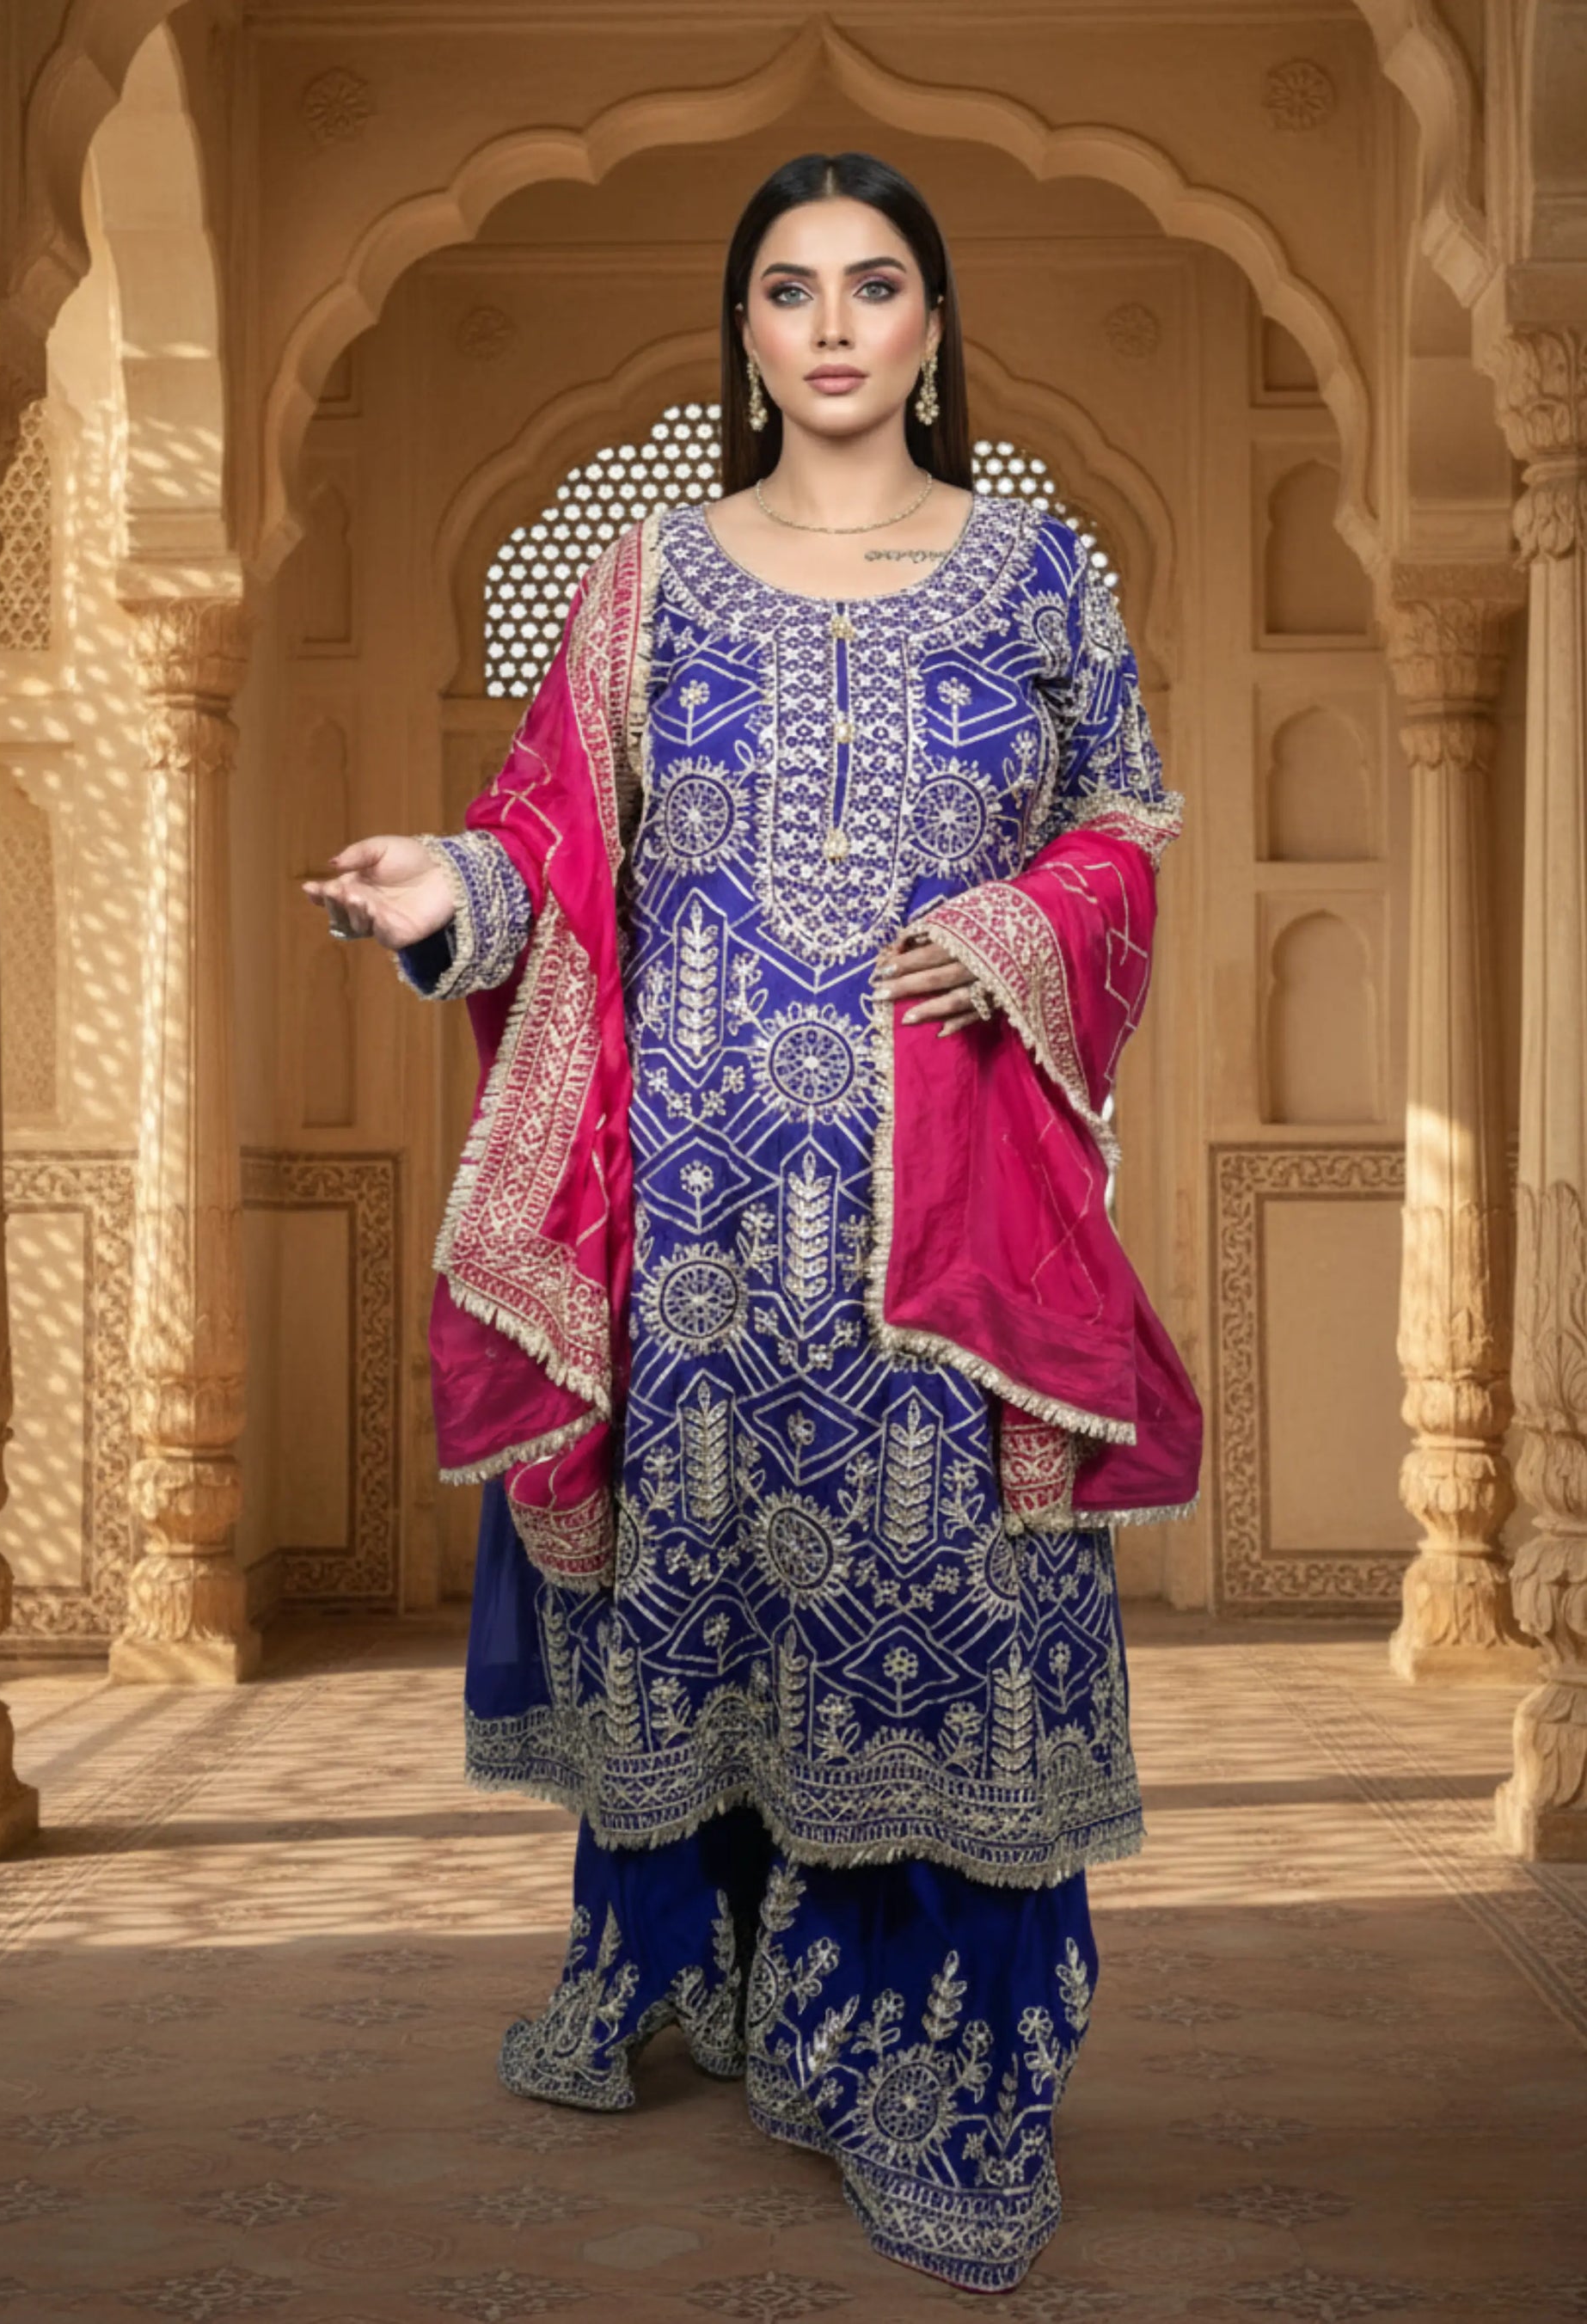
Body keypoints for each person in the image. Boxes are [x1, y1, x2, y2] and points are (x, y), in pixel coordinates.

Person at [304, 150, 1200, 2293]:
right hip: (693, 1221)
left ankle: (940, 2071)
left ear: (928, 327)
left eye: (872, 286)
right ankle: (720, 1972)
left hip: (941, 1221)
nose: (827, 322)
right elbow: (551, 836)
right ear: (742, 329)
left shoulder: (1035, 571)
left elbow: (1128, 818)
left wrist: (1019, 915)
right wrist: (451, 890)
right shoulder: (644, 583)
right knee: (714, 1596)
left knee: (952, 1600)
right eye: (786, 287)